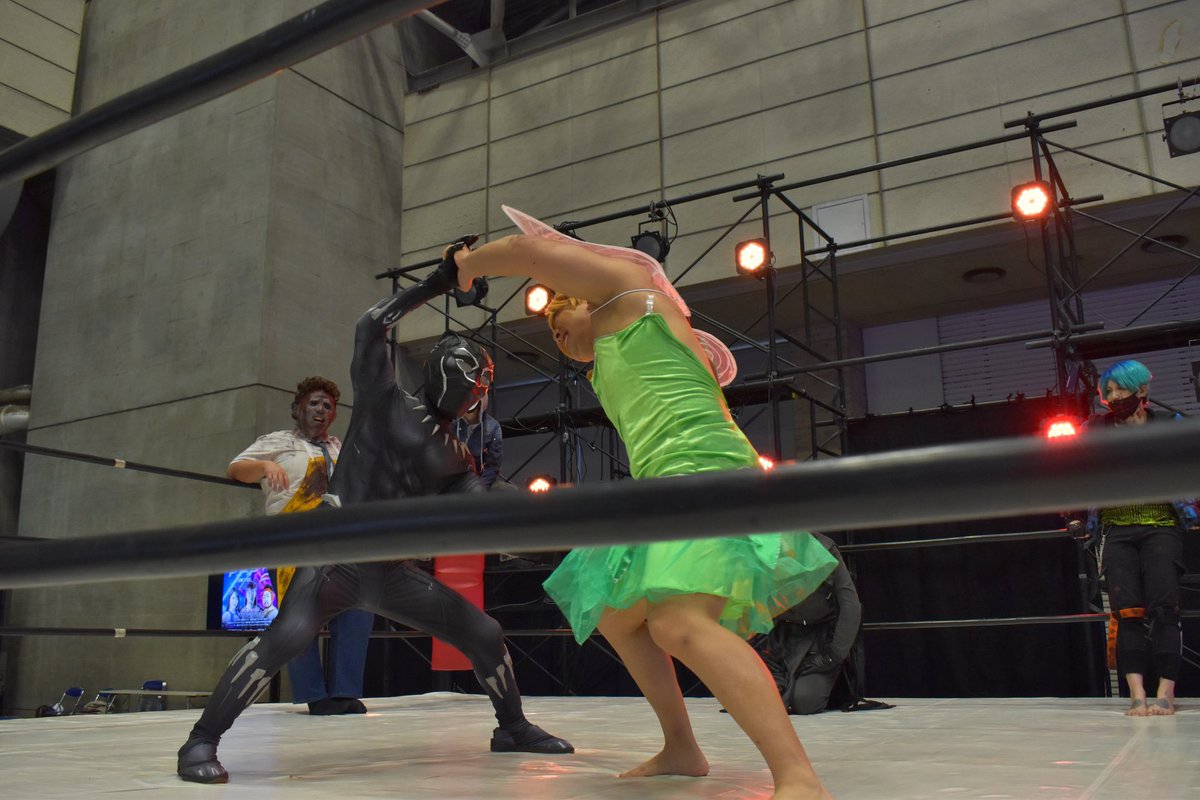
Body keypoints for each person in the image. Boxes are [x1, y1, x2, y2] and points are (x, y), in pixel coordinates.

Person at [454, 206, 839, 800]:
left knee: (679, 623)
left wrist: (467, 264)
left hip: (703, 470)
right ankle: (681, 747)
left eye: (560, 315)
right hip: (659, 485)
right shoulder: (612, 345)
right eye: (551, 332)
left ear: (583, 293)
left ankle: (799, 777)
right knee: (617, 613)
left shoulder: (628, 290)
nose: (557, 334)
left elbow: (529, 253)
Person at [177, 253, 573, 784]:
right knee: (286, 638)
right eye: (472, 384)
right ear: (448, 377)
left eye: (481, 388)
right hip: (334, 554)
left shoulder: (457, 455)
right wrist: (435, 282)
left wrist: (545, 515)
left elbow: (480, 508)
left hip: (390, 571)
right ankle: (200, 741)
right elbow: (370, 326)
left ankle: (513, 727)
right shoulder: (385, 400)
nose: (476, 395)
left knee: (483, 630)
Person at [227, 377, 375, 716]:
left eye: (328, 406)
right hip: (293, 540)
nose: (321, 410)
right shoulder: (278, 441)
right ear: (297, 409)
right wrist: (265, 465)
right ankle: (314, 695)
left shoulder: (340, 448)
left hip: (340, 540)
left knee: (358, 609)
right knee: (299, 616)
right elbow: (235, 469)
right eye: (314, 403)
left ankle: (344, 692)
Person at [1079, 359, 1194, 716]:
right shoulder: (1096, 430)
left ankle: (1165, 693)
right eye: (1108, 392)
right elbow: (1069, 469)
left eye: (1121, 389)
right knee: (1126, 610)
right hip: (1117, 528)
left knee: (1165, 607)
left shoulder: (1169, 425)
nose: (1114, 397)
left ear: (1142, 390)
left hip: (1161, 524)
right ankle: (1137, 694)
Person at [754, 533, 863, 715]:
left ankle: (827, 683)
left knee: (805, 702)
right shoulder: (764, 548)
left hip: (819, 641)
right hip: (779, 638)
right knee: (767, 701)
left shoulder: (824, 547)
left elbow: (850, 604)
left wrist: (833, 656)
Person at [454, 392, 503, 489]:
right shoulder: (451, 423)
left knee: (504, 489)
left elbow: (493, 465)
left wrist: (480, 488)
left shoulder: (493, 426)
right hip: (455, 482)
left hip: (479, 480)